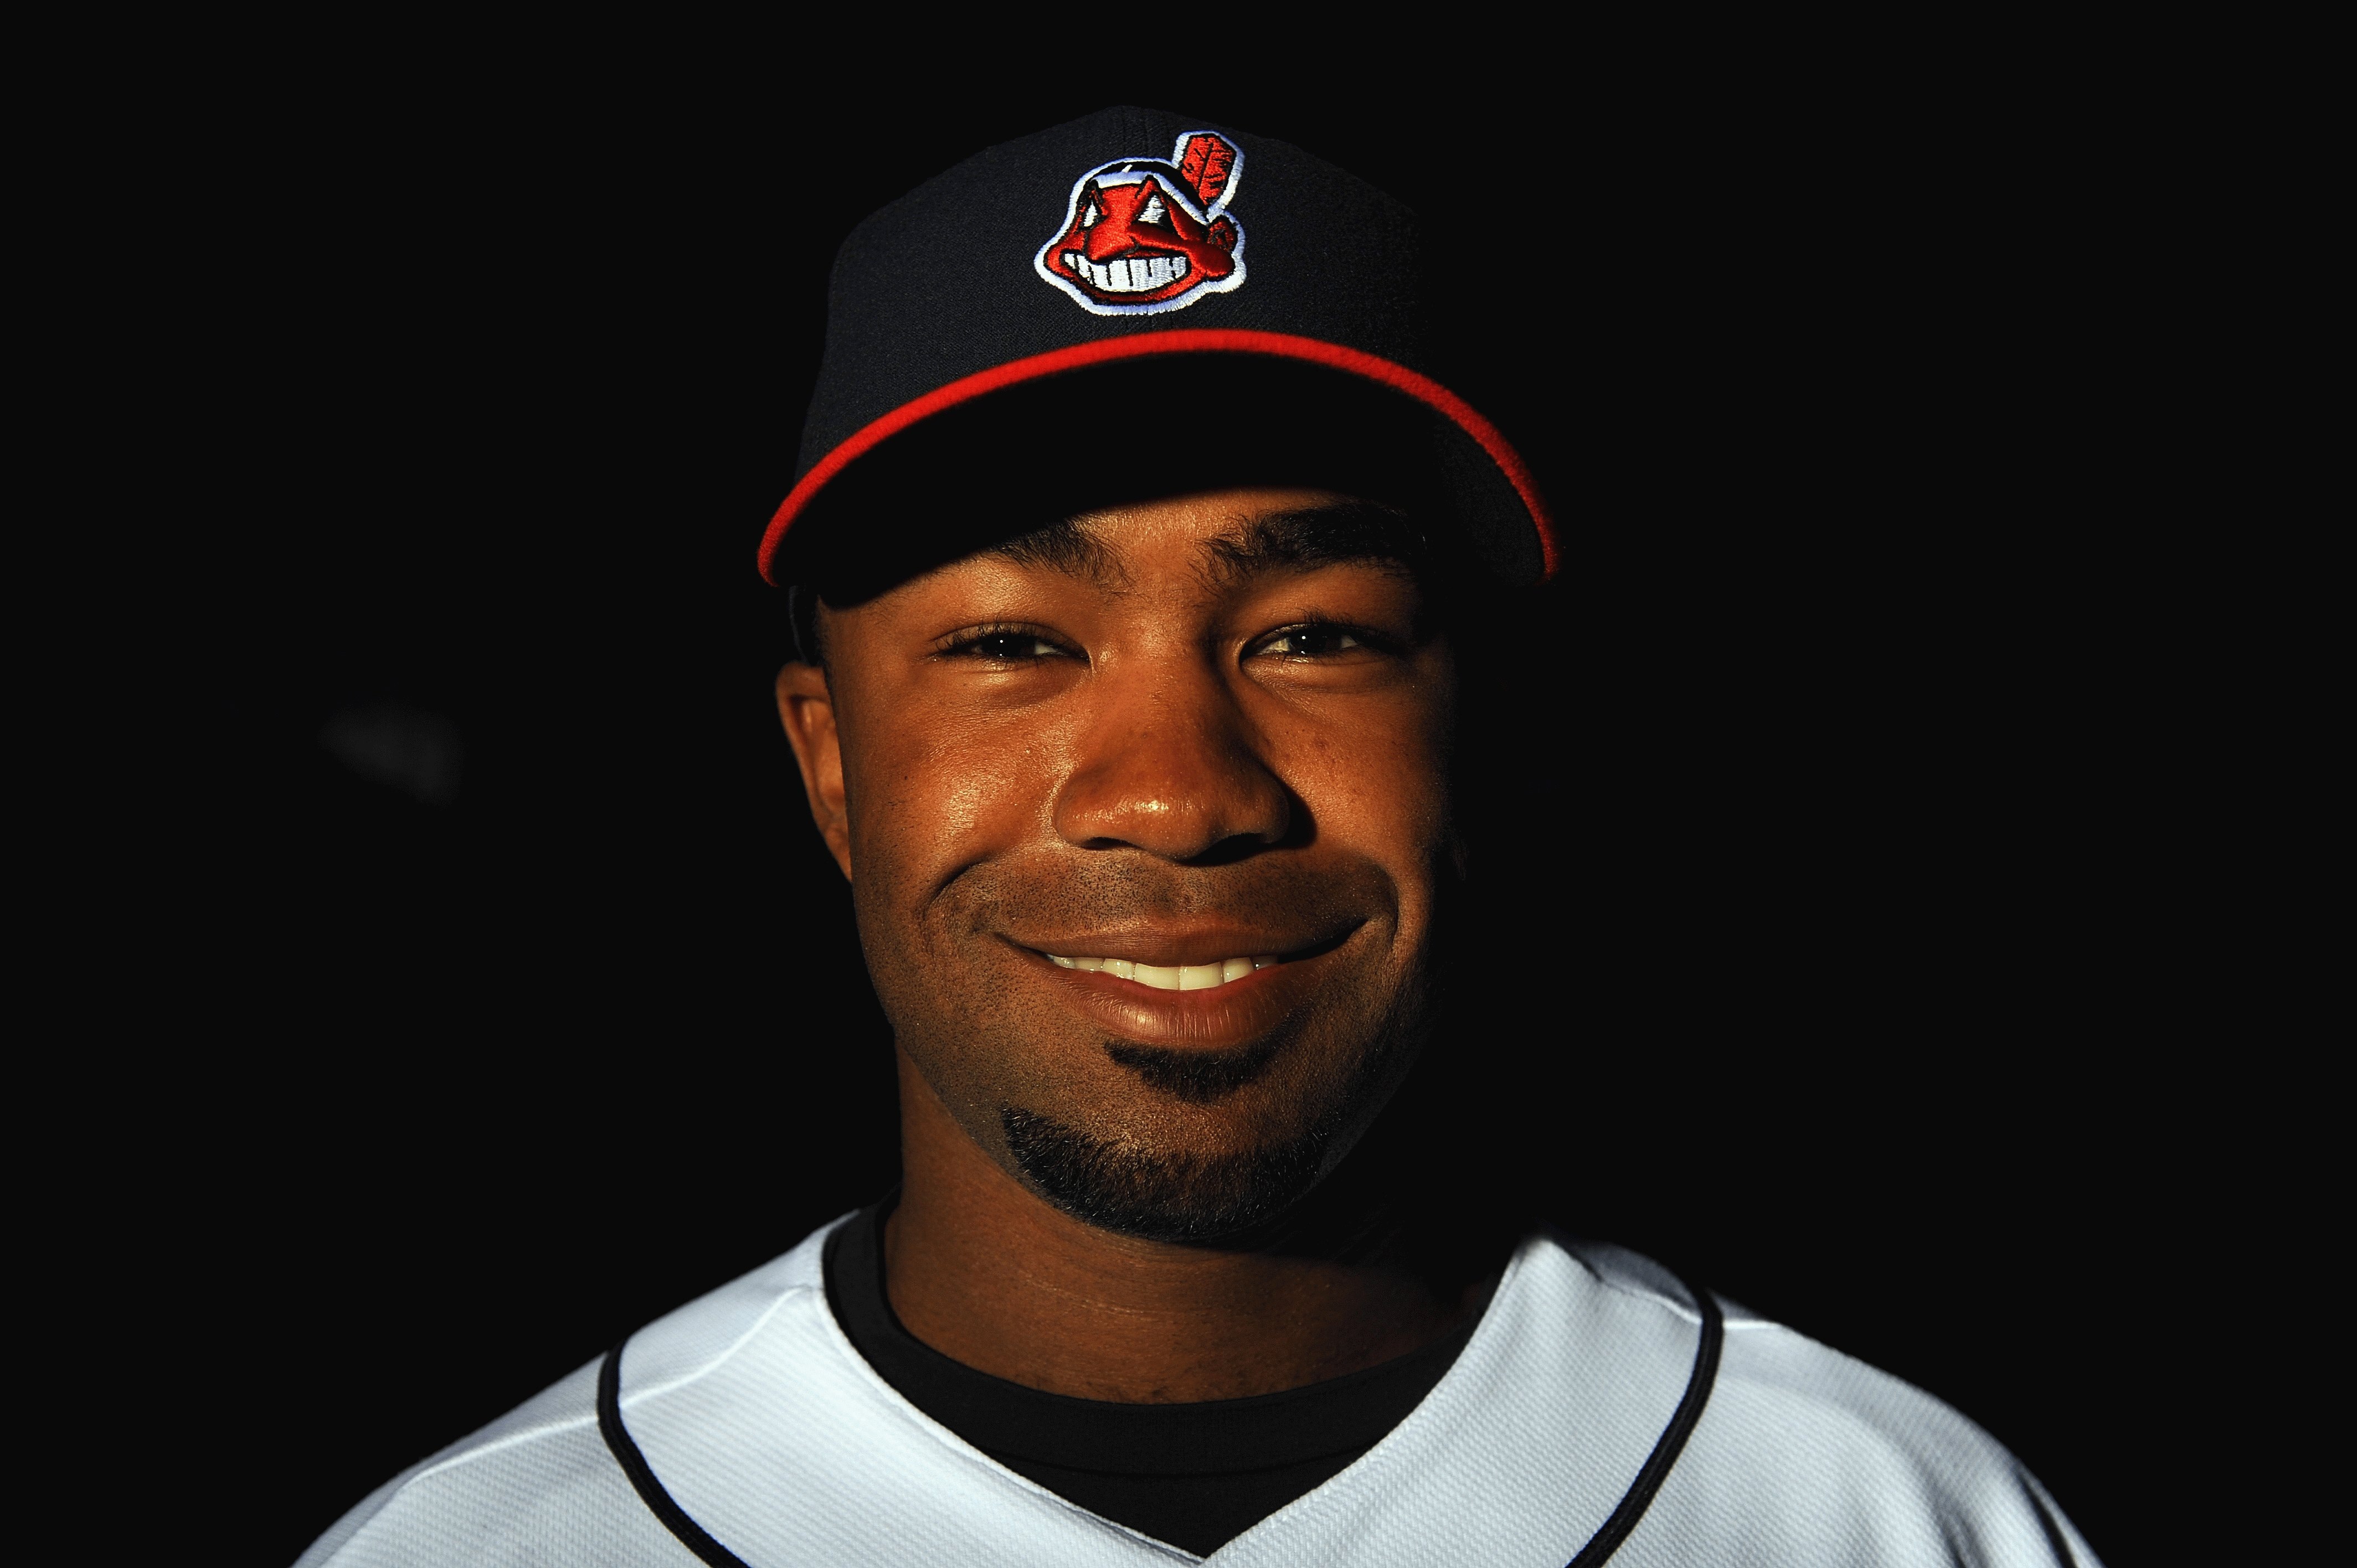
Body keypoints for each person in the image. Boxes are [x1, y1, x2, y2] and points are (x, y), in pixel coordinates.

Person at [298, 106, 2102, 1567]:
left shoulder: (1888, 1521)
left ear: (1482, 737)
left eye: (1312, 635)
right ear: (832, 767)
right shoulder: (481, 1547)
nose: (1174, 793)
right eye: (1014, 645)